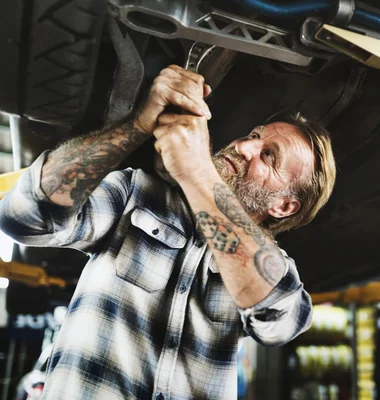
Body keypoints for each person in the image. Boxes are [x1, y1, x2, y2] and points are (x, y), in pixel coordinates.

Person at [0, 65, 337, 399]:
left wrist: (197, 171)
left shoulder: (271, 266)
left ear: (283, 207)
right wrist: (137, 124)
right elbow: (24, 216)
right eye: (253, 136)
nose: (244, 146)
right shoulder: (137, 194)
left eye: (269, 156)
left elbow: (280, 319)